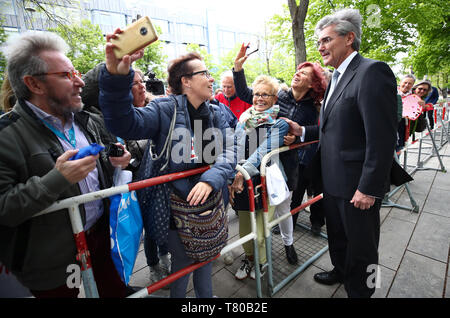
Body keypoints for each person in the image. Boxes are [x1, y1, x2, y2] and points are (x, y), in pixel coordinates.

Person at [98, 30, 235, 298]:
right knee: (183, 264)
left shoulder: (217, 111)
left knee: (206, 259)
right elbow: (123, 123)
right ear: (186, 81)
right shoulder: (164, 109)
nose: (211, 78)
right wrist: (116, 78)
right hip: (173, 208)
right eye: (204, 73)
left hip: (210, 204)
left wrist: (211, 179)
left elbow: (232, 149)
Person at [0, 31, 132, 298]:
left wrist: (119, 160)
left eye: (77, 72)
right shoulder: (6, 136)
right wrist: (57, 179)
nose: (80, 82)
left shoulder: (86, 119)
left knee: (115, 292)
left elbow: (107, 160)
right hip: (50, 257)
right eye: (66, 75)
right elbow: (4, 208)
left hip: (101, 237)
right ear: (34, 84)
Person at [286, 9, 397, 298]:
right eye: (319, 41)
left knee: (363, 248)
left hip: (358, 186)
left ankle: (364, 291)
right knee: (338, 238)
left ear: (349, 38)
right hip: (332, 182)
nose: (320, 46)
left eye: (326, 40)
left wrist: (369, 188)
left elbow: (383, 138)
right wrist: (303, 132)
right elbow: (332, 126)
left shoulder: (372, 72)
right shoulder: (336, 76)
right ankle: (340, 271)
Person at [233, 43, 327, 263]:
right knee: (266, 212)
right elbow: (249, 94)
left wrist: (296, 137)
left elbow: (316, 133)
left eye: (303, 73)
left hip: (290, 162)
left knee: (287, 207)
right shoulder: (280, 96)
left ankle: (289, 244)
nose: (297, 74)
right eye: (298, 70)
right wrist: (238, 69)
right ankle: (259, 256)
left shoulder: (312, 109)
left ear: (312, 83)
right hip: (268, 160)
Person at [81, 65, 172, 286]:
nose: (143, 87)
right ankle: (152, 267)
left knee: (158, 224)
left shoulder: (152, 109)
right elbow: (115, 157)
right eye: (135, 82)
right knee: (143, 231)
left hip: (151, 184)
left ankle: (163, 258)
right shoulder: (106, 120)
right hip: (128, 192)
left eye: (143, 82)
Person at [229, 74, 290, 279]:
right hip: (241, 181)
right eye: (256, 94)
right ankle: (249, 258)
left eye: (266, 94)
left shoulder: (279, 124)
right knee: (245, 227)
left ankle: (262, 262)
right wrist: (233, 176)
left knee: (262, 230)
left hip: (264, 182)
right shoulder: (244, 119)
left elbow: (261, 152)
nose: (260, 98)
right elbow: (235, 147)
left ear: (274, 98)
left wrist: (241, 173)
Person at [397, 74, 416, 150]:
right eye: (405, 82)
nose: (406, 85)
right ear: (401, 82)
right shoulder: (391, 92)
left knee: (399, 148)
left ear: (412, 85)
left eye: (409, 83)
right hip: (389, 123)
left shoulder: (414, 97)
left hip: (403, 125)